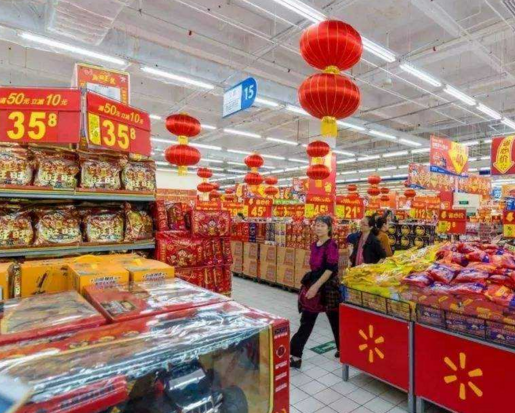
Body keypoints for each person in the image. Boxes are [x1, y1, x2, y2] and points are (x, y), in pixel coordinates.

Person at [290, 216, 341, 369]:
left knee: (335, 321)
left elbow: (330, 269)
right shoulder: (314, 245)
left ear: (329, 228)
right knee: (307, 320)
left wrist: (315, 287)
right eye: (317, 225)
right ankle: (295, 355)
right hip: (314, 283)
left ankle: (343, 349)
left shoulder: (331, 245)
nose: (318, 228)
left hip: (328, 288)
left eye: (322, 225)